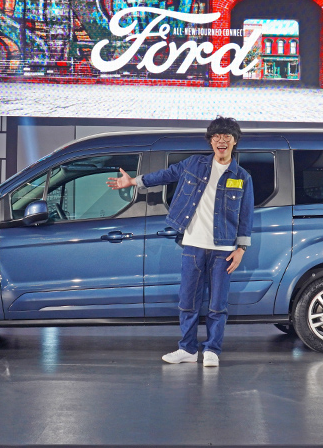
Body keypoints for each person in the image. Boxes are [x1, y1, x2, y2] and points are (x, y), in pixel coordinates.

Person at [107, 116, 254, 367]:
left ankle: (212, 350)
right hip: (193, 246)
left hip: (223, 250)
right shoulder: (194, 164)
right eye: (216, 137)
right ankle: (187, 349)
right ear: (210, 141)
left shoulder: (242, 177)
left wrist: (241, 249)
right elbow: (165, 175)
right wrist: (133, 181)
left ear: (234, 141)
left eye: (227, 137)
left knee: (217, 305)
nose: (221, 141)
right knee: (187, 301)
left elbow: (246, 215)